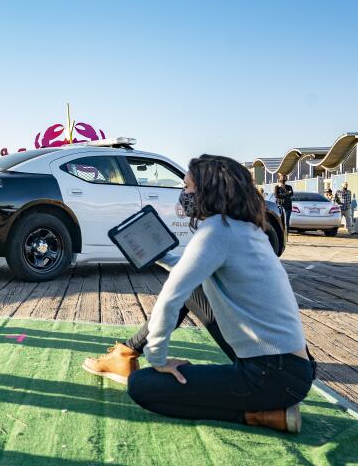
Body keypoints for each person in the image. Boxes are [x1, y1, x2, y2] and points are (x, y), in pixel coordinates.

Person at [83, 155, 314, 433]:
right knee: (194, 287)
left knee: (142, 386)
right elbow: (189, 274)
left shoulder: (217, 230)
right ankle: (126, 353)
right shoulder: (242, 228)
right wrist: (163, 256)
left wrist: (158, 360)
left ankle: (259, 415)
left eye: (187, 187)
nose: (183, 195)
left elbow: (171, 297)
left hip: (271, 375)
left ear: (209, 190)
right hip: (291, 367)